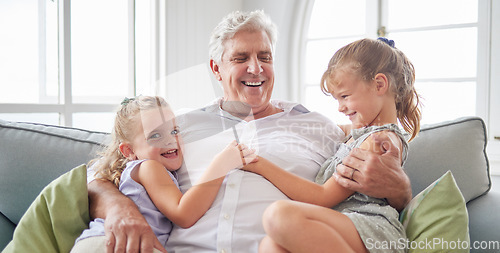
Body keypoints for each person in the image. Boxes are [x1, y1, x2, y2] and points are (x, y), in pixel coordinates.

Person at [87, 10, 413, 253]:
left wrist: (401, 191)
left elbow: (369, 180)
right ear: (217, 68)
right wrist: (118, 208)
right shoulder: (177, 128)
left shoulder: (319, 127)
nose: (256, 68)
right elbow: (101, 175)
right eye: (241, 58)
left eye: (265, 57)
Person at [242, 38, 421, 253]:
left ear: (379, 85)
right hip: (347, 225)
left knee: (278, 215)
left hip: (373, 229)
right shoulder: (360, 132)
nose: (340, 107)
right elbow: (327, 127)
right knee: (269, 246)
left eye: (345, 96)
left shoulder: (378, 141)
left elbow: (322, 197)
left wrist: (258, 164)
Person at [73, 96, 257, 253]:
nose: (170, 140)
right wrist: (221, 165)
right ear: (128, 150)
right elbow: (184, 213)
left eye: (174, 131)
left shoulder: (142, 171)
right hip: (112, 243)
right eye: (155, 135)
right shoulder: (149, 167)